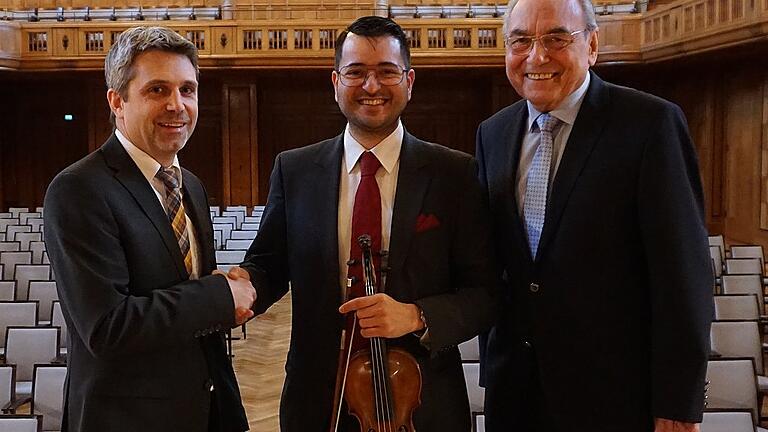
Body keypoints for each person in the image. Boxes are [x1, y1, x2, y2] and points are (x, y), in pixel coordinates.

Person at [227, 15, 498, 431]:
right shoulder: (294, 170)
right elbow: (270, 265)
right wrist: (241, 286)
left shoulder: (454, 174)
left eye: (386, 72)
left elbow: (484, 293)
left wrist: (416, 316)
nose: (371, 86)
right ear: (335, 82)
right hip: (318, 395)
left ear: (409, 80)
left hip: (422, 401)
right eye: (356, 72)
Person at [475, 0, 714, 431]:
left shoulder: (650, 125)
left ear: (592, 46)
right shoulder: (492, 134)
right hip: (515, 394)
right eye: (521, 41)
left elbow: (683, 277)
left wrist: (678, 402)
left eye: (556, 38)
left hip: (617, 397)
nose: (536, 56)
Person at [44, 26, 254, 432]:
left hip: (205, 408)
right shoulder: (79, 189)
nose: (177, 105)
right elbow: (107, 327)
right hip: (126, 418)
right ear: (117, 101)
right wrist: (217, 296)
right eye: (157, 90)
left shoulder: (188, 183)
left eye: (187, 90)